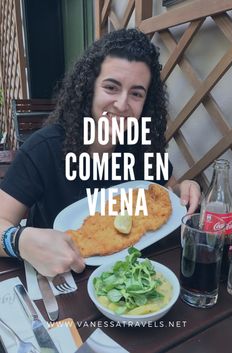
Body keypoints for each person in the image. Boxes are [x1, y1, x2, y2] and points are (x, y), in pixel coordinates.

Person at [0, 29, 201, 276]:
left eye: (136, 93)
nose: (122, 104)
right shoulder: (43, 149)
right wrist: (19, 241)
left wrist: (184, 190)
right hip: (63, 284)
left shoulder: (142, 146)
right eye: (111, 87)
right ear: (89, 87)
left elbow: (168, 190)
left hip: (130, 280)